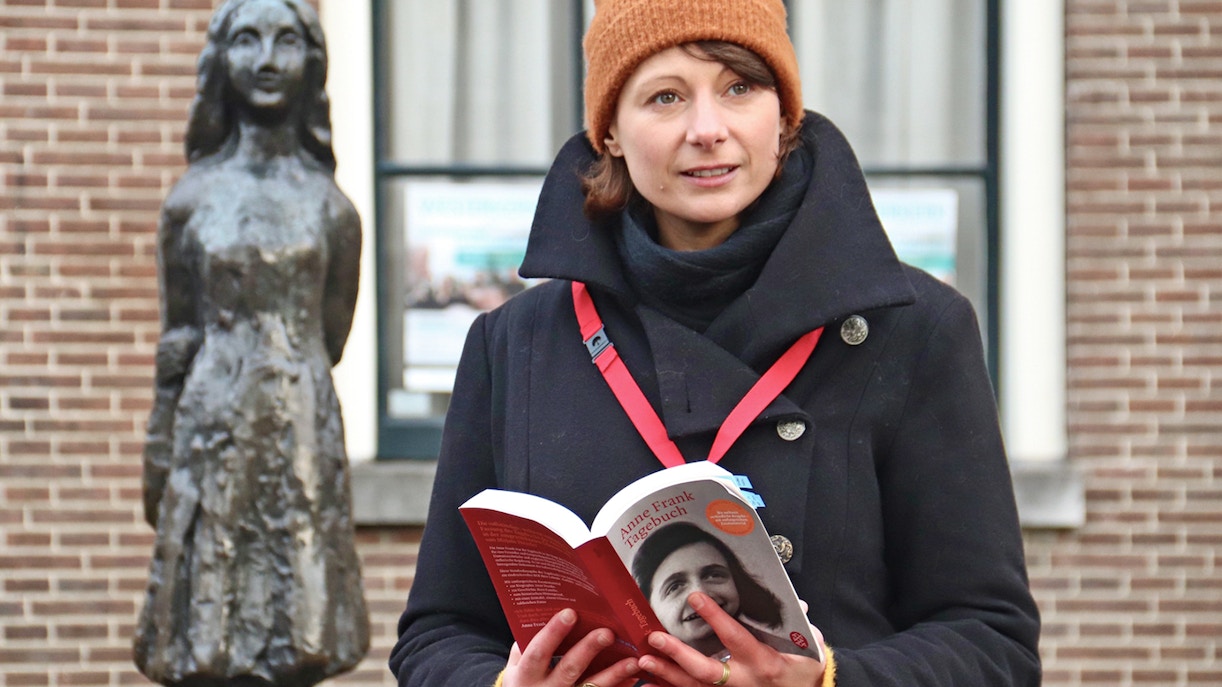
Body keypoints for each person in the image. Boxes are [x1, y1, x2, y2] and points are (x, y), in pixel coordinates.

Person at [390, 0, 1040, 685]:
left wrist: (830, 678)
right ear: (608, 130)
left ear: (785, 114)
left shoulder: (914, 328)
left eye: (739, 87)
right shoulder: (513, 343)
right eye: (665, 97)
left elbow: (993, 644)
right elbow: (437, 634)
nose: (708, 129)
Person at [134, 0, 368, 685]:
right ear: (221, 60)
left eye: (286, 41)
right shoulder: (191, 200)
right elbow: (178, 334)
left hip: (298, 425)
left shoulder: (332, 209)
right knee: (209, 639)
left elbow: (332, 333)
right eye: (247, 41)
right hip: (212, 428)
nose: (267, 60)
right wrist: (159, 440)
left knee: (301, 632)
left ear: (311, 64)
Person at [631, 522, 788, 659]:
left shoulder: (793, 657)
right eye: (675, 586)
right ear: (649, 607)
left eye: (713, 575)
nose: (700, 595)